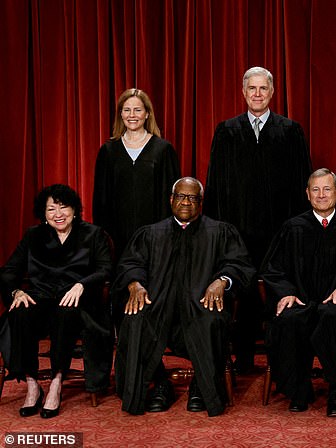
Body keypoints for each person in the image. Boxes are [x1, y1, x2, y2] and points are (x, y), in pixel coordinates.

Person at [114, 177, 255, 417]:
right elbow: (130, 263)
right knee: (134, 319)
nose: (186, 202)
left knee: (212, 320)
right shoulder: (150, 234)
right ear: (171, 200)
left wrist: (222, 281)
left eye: (192, 197)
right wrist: (135, 284)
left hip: (200, 307)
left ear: (201, 202)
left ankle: (202, 385)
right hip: (158, 307)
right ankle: (158, 384)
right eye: (181, 196)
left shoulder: (220, 232)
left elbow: (240, 265)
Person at [203, 66, 312, 371]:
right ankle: (244, 358)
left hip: (279, 230)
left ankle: (281, 361)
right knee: (243, 293)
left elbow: (301, 183)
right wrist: (217, 231)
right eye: (252, 88)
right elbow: (214, 184)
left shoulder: (290, 131)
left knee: (280, 292)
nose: (257, 94)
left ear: (272, 93)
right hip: (239, 231)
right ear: (243, 92)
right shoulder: (227, 131)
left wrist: (297, 229)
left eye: (263, 88)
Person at [261, 168, 336, 417]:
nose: (322, 195)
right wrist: (286, 292)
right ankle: (298, 390)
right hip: (302, 299)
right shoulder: (292, 227)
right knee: (290, 318)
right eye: (315, 189)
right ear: (307, 194)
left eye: (327, 189)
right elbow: (272, 269)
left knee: (333, 315)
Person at [0, 185, 113, 418]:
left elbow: (105, 269)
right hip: (41, 296)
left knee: (65, 312)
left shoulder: (93, 234)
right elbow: (10, 270)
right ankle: (32, 383)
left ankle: (56, 382)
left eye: (63, 207)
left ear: (75, 210)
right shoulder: (33, 235)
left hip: (77, 300)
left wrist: (82, 284)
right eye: (51, 209)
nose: (58, 214)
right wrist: (15, 292)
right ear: (44, 213)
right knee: (19, 312)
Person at [93, 88, 181, 260]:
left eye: (138, 110)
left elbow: (172, 197)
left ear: (147, 114)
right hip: (118, 237)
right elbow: (101, 199)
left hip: (156, 238)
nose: (132, 115)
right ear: (120, 114)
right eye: (127, 110)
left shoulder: (163, 150)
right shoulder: (109, 150)